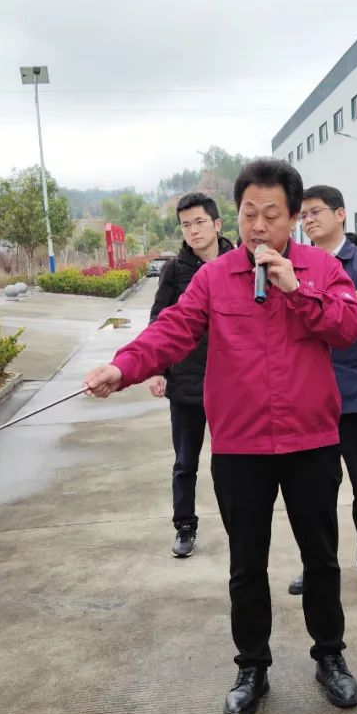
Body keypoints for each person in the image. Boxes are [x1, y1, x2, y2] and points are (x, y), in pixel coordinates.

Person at [84, 159, 357, 714]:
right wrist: (124, 367)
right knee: (246, 564)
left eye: (272, 215)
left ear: (294, 218)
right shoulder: (214, 278)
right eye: (249, 213)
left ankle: (330, 655)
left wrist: (296, 289)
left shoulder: (319, 268)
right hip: (241, 447)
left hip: (310, 442)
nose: (258, 226)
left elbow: (349, 328)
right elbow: (171, 329)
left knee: (321, 558)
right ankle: (252, 666)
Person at [286, 185, 357, 604]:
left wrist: (308, 298)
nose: (308, 220)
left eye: (315, 212)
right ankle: (317, 565)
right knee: (313, 492)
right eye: (303, 215)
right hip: (307, 393)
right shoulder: (295, 262)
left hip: (352, 392)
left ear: (340, 214)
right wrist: (333, 302)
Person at [147, 192, 234, 558]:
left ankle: (239, 525)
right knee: (186, 462)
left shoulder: (238, 263)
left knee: (232, 462)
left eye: (200, 222)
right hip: (185, 382)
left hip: (231, 384)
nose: (194, 230)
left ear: (217, 224)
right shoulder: (175, 270)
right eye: (186, 225)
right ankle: (185, 526)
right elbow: (159, 321)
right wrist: (157, 369)